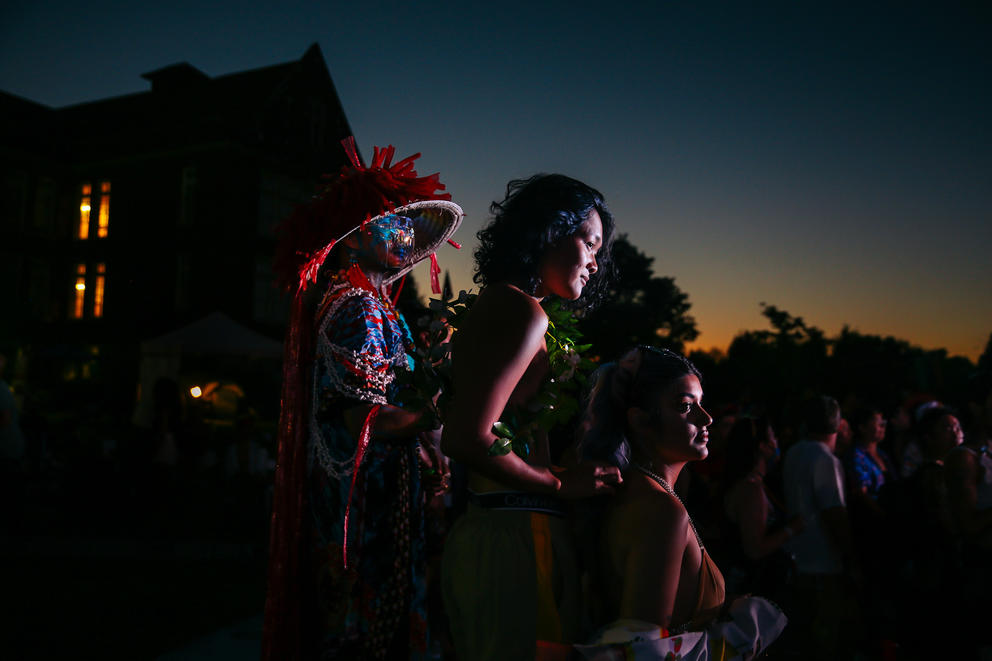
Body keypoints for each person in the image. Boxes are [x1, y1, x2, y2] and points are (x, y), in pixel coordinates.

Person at [263, 139, 463, 660]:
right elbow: (363, 416)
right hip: (370, 510)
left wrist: (432, 367)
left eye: (407, 224)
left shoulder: (376, 308)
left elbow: (393, 395)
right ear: (352, 240)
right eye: (390, 221)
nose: (405, 233)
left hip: (379, 498)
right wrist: (448, 412)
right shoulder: (359, 308)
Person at [440, 173, 621, 660]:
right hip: (512, 537)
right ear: (548, 231)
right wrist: (560, 484)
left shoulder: (508, 306)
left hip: (508, 526)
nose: (594, 262)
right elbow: (465, 438)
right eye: (589, 241)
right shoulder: (523, 313)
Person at [574, 347, 785, 660]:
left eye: (701, 403)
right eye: (686, 406)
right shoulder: (660, 509)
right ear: (641, 420)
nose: (707, 417)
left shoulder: (641, 492)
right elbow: (646, 650)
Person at [781, 395, 859, 661]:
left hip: (797, 558)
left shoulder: (794, 452)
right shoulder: (826, 459)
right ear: (838, 424)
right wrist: (849, 554)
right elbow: (833, 512)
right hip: (822, 563)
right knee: (823, 638)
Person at [718, 414, 803, 600]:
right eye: (773, 437)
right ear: (762, 446)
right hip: (754, 592)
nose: (777, 441)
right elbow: (754, 549)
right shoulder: (750, 490)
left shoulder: (755, 484)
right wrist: (793, 528)